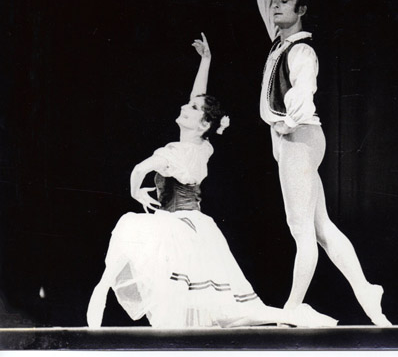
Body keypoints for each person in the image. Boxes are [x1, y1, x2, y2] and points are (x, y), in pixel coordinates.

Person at [86, 33, 337, 329]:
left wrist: (135, 192)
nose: (185, 106)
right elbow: (198, 102)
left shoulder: (179, 153)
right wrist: (205, 62)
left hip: (179, 231)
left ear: (204, 123)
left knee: (199, 303)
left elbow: (141, 169)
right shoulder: (202, 146)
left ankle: (98, 304)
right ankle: (293, 316)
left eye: (192, 110)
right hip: (195, 230)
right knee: (214, 310)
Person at [254, 0, 391, 327]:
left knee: (301, 230)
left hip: (298, 137)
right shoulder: (278, 43)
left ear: (302, 11)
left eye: (286, 1)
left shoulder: (300, 49)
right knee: (321, 228)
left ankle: (293, 307)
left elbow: (304, 88)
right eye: (277, 0)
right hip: (292, 140)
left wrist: (287, 122)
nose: (277, 5)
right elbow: (266, 5)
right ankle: (367, 292)